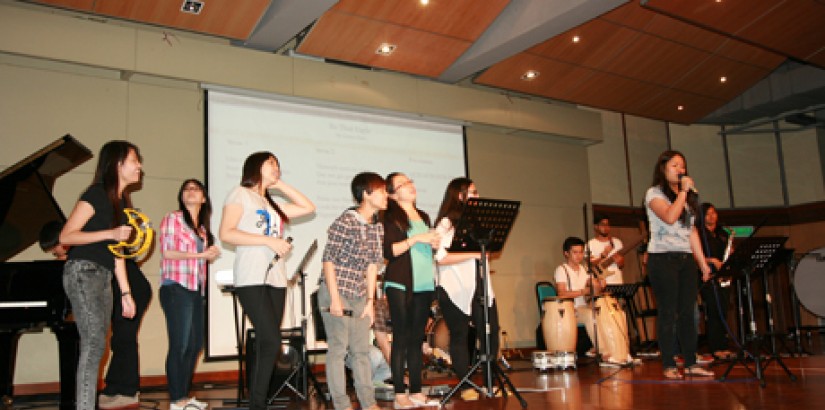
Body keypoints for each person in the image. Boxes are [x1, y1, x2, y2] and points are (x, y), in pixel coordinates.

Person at [218, 152, 315, 410]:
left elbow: (308, 207)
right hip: (251, 276)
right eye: (271, 163)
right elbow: (226, 233)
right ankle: (257, 404)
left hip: (276, 279)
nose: (276, 167)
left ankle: (257, 403)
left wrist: (279, 185)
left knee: (268, 342)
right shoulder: (240, 194)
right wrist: (267, 240)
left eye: (278, 164)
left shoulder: (271, 203)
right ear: (255, 166)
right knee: (270, 340)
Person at [59, 140, 140, 410]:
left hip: (103, 276)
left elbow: (118, 254)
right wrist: (110, 233)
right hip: (83, 271)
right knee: (93, 343)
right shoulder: (95, 194)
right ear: (117, 164)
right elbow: (66, 236)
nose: (139, 166)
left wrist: (126, 293)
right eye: (134, 160)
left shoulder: (122, 204)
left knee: (98, 345)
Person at [318, 172, 386, 410]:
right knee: (338, 349)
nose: (386, 195)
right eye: (382, 191)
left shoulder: (377, 227)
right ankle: (342, 405)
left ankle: (368, 403)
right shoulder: (346, 221)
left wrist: (370, 300)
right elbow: (328, 260)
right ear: (366, 194)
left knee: (361, 352)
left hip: (359, 295)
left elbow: (372, 266)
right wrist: (335, 299)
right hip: (336, 290)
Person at [644, 150, 713, 379]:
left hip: (685, 260)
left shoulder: (688, 198)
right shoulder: (654, 194)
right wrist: (683, 192)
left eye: (682, 166)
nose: (680, 170)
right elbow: (670, 217)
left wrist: (702, 264)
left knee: (688, 313)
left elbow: (691, 232)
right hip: (662, 259)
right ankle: (668, 364)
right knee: (667, 312)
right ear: (663, 168)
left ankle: (691, 362)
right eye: (675, 165)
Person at [433, 177, 500, 401]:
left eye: (477, 191)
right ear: (459, 195)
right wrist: (474, 254)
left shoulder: (478, 222)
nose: (477, 196)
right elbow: (440, 257)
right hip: (454, 288)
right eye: (472, 192)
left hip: (481, 286)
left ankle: (492, 382)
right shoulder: (445, 223)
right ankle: (465, 385)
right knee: (460, 336)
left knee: (490, 333)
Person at [380, 173, 440, 409]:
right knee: (401, 339)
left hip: (424, 282)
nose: (411, 186)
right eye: (403, 184)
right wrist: (417, 239)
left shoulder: (423, 215)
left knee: (417, 339)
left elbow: (426, 247)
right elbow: (390, 251)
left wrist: (433, 243)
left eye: (410, 181)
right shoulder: (389, 216)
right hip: (400, 283)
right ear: (393, 194)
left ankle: (416, 390)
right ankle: (399, 393)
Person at [159, 179, 220, 410]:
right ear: (182, 197)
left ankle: (184, 396)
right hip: (176, 286)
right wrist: (200, 256)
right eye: (187, 189)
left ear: (204, 198)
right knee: (180, 345)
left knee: (195, 345)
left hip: (195, 291)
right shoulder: (173, 218)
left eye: (196, 189)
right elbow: (168, 253)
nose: (191, 191)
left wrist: (208, 253)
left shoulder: (202, 231)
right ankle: (176, 401)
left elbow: (200, 262)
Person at [553, 237, 605, 360]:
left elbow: (592, 285)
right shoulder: (561, 270)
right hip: (571, 309)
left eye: (581, 252)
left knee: (605, 312)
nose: (579, 256)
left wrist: (599, 283)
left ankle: (607, 348)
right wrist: (583, 291)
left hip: (583, 307)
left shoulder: (583, 269)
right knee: (589, 314)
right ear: (566, 253)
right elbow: (561, 294)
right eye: (575, 252)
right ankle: (602, 351)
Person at [699, 203, 733, 361]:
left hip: (724, 276)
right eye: (708, 214)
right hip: (708, 276)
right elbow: (694, 254)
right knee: (713, 310)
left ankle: (724, 345)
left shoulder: (722, 233)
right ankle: (715, 347)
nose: (712, 216)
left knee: (724, 310)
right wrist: (711, 260)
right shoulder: (699, 234)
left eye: (714, 213)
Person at [588, 214, 625, 285]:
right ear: (596, 226)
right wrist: (603, 255)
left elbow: (621, 266)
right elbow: (590, 266)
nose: (606, 227)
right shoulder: (590, 244)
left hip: (617, 282)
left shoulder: (617, 242)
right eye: (602, 224)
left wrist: (620, 262)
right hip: (601, 284)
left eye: (607, 225)